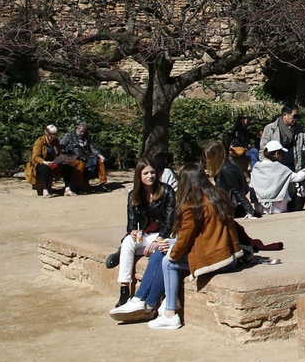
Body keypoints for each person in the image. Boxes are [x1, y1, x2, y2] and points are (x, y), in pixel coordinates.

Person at [127, 163, 246, 330]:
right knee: (170, 255)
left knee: (168, 262)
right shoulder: (219, 195)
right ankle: (165, 299)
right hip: (231, 256)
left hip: (215, 260)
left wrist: (171, 252)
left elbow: (185, 239)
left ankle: (169, 313)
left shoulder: (192, 204)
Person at [105, 157, 175, 308]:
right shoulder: (133, 195)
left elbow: (170, 221)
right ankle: (124, 289)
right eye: (146, 173)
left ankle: (134, 253)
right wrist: (133, 233)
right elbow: (131, 223)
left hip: (161, 234)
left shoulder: (167, 191)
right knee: (127, 242)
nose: (150, 176)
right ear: (139, 176)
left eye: (153, 173)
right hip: (143, 235)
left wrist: (159, 239)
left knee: (153, 250)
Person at [250, 139, 305, 213]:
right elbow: (297, 177)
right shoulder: (280, 168)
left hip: (260, 207)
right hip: (278, 207)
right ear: (277, 154)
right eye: (282, 153)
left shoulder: (256, 167)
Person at [203, 140, 258, 218]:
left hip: (231, 207)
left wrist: (249, 211)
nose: (207, 160)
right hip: (229, 204)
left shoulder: (226, 169)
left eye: (208, 157)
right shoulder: (229, 164)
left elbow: (237, 190)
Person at [60, 121, 106, 191]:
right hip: (71, 157)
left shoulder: (86, 137)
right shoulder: (68, 135)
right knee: (79, 163)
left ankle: (102, 184)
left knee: (100, 160)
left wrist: (99, 155)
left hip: (84, 157)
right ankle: (79, 186)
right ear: (76, 129)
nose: (82, 133)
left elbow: (92, 148)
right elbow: (61, 146)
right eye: (81, 131)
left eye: (84, 131)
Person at [25, 124, 64, 197]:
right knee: (45, 168)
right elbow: (35, 157)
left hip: (52, 162)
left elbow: (59, 153)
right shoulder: (39, 142)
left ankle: (69, 188)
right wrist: (45, 162)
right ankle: (45, 190)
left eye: (55, 134)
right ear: (47, 134)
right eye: (52, 134)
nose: (54, 136)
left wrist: (61, 159)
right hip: (39, 163)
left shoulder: (55, 141)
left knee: (66, 166)